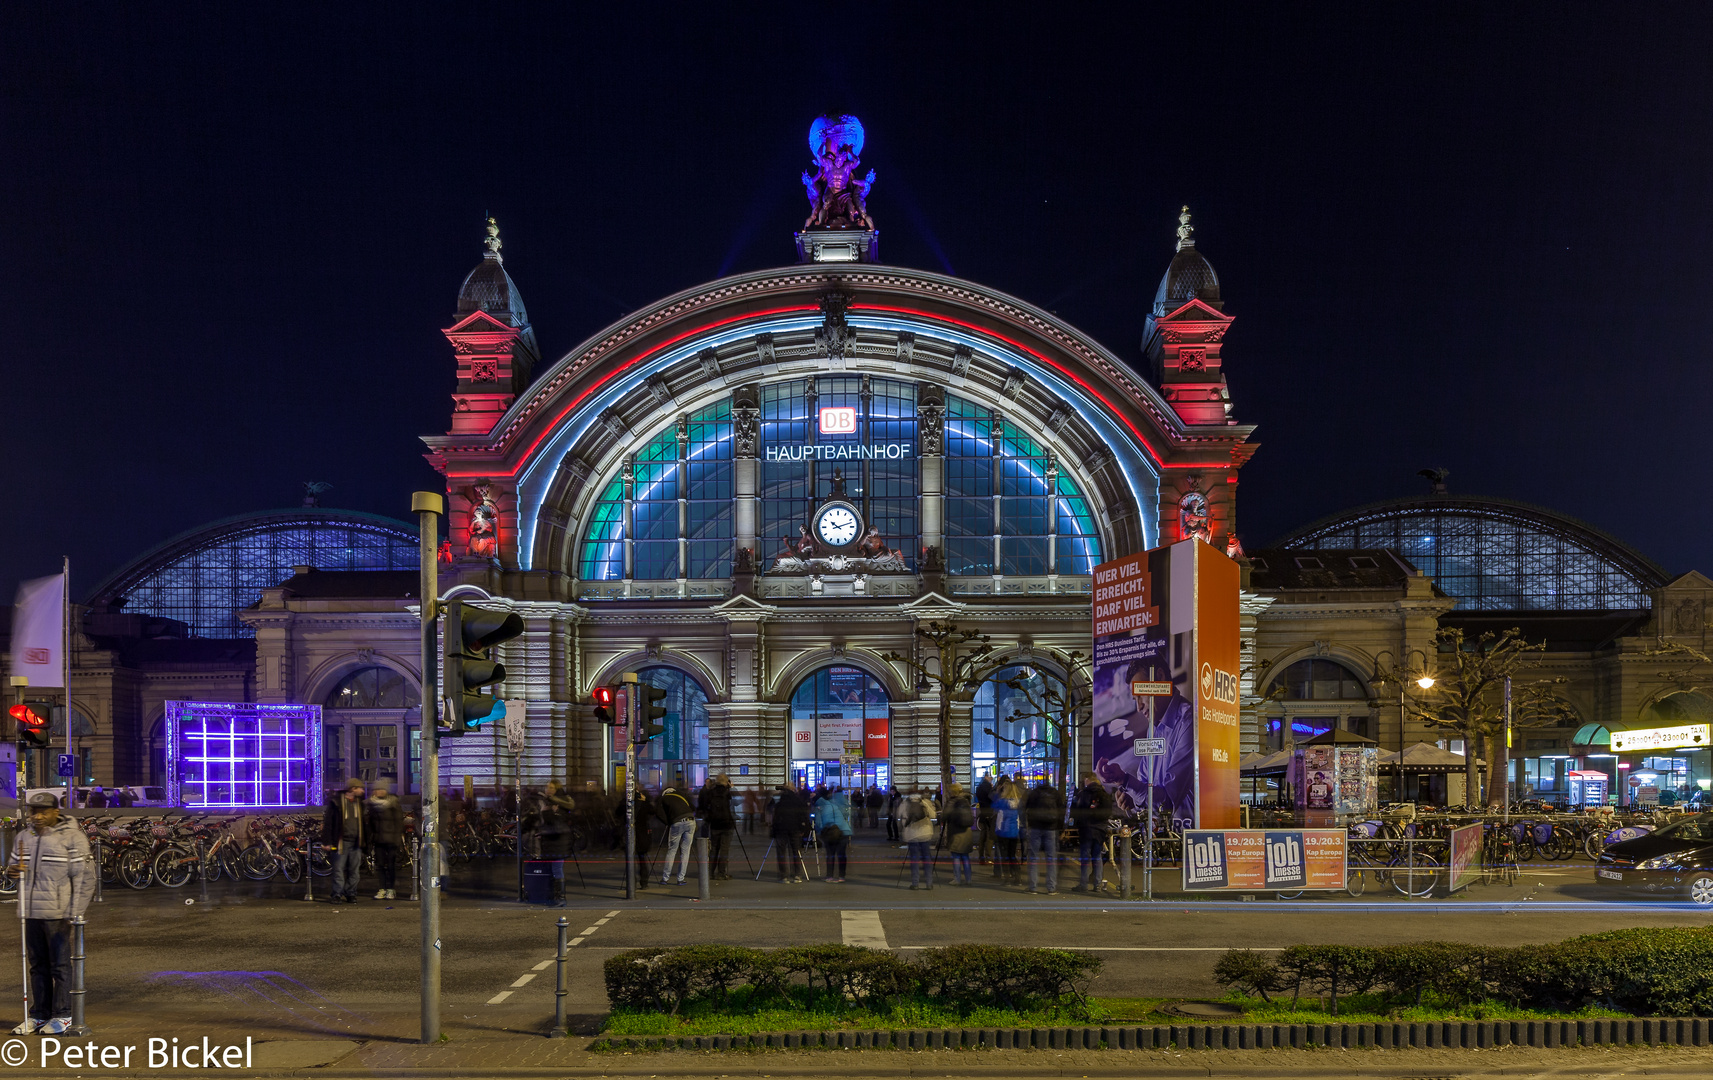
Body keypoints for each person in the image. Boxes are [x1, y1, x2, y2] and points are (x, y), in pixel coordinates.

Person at [10, 792, 91, 1035]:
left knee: (60, 966)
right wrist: (12, 872)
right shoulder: (23, 837)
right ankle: (39, 1014)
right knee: (37, 966)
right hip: (30, 912)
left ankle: (63, 1014)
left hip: (58, 913)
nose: (37, 816)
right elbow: (13, 870)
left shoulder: (72, 838)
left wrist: (74, 913)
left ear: (56, 811)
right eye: (33, 811)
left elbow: (84, 878)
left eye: (43, 811)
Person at [1070, 772, 1116, 893]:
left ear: (1088, 780)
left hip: (1086, 829)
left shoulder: (1084, 794)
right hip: (1100, 830)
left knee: (1085, 858)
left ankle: (1084, 884)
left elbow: (1077, 811)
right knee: (1097, 857)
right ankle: (1098, 885)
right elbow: (1107, 813)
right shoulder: (1104, 794)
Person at [322, 779, 366, 903]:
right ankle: (337, 893)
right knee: (338, 869)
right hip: (341, 841)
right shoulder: (336, 803)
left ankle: (351, 893)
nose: (362, 791)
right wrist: (327, 841)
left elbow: (363, 823)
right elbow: (329, 823)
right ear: (353, 789)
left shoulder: (359, 803)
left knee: (354, 870)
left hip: (356, 841)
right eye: (360, 788)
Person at [1024, 777, 1065, 894]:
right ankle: (1051, 888)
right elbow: (1061, 811)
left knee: (1033, 857)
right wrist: (1061, 828)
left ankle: (1033, 887)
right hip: (1051, 828)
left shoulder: (1034, 793)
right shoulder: (1054, 793)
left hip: (1035, 828)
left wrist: (1027, 824)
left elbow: (1026, 808)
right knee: (1051, 858)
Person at [367, 780, 405, 900]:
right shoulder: (371, 805)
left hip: (391, 840)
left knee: (391, 865)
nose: (379, 791)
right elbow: (370, 824)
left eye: (381, 789)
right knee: (380, 866)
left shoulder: (393, 803)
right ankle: (382, 888)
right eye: (377, 789)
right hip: (378, 840)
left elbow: (398, 822)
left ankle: (390, 889)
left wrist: (397, 838)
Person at [771, 783, 811, 882]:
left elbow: (776, 816)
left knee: (781, 852)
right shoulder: (798, 800)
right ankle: (797, 875)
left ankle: (783, 876)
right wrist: (803, 829)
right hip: (795, 829)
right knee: (795, 852)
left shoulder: (780, 801)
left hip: (781, 829)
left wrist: (774, 830)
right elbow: (803, 815)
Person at [699, 775, 736, 879]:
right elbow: (736, 803)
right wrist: (731, 788)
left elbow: (704, 806)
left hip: (715, 824)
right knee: (724, 849)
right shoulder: (727, 792)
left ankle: (710, 873)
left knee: (714, 848)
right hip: (726, 823)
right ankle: (721, 873)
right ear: (726, 782)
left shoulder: (710, 792)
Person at [657, 785, 695, 886]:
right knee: (685, 851)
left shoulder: (663, 798)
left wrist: (668, 822)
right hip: (691, 821)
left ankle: (665, 878)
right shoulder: (681, 795)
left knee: (672, 850)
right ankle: (680, 879)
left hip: (677, 822)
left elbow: (658, 813)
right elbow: (693, 807)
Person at [813, 787, 853, 882]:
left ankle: (830, 876)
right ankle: (841, 876)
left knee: (830, 854)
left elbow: (819, 823)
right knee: (841, 854)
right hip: (844, 831)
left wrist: (820, 831)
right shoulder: (834, 804)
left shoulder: (820, 807)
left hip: (831, 831)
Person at [901, 788, 938, 889]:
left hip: (912, 836)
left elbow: (903, 821)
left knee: (914, 860)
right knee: (927, 859)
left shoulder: (905, 803)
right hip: (925, 834)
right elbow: (933, 815)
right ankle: (929, 883)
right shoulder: (925, 802)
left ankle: (915, 883)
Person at [943, 783, 976, 885]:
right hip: (966, 832)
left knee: (956, 857)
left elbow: (944, 816)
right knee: (965, 857)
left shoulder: (952, 802)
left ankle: (957, 879)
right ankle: (968, 879)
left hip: (956, 833)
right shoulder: (966, 800)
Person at [993, 779, 1023, 885]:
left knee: (1005, 856)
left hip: (1003, 831)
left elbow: (994, 807)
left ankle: (1007, 878)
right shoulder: (1017, 802)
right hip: (1014, 831)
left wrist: (997, 793)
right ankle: (1017, 877)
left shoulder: (1002, 802)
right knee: (1012, 855)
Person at [974, 775, 996, 864]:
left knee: (982, 836)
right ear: (986, 777)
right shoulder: (988, 788)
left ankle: (981, 857)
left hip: (983, 812)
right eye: (990, 776)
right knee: (989, 836)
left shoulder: (979, 787)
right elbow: (992, 799)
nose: (991, 778)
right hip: (989, 813)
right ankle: (988, 857)